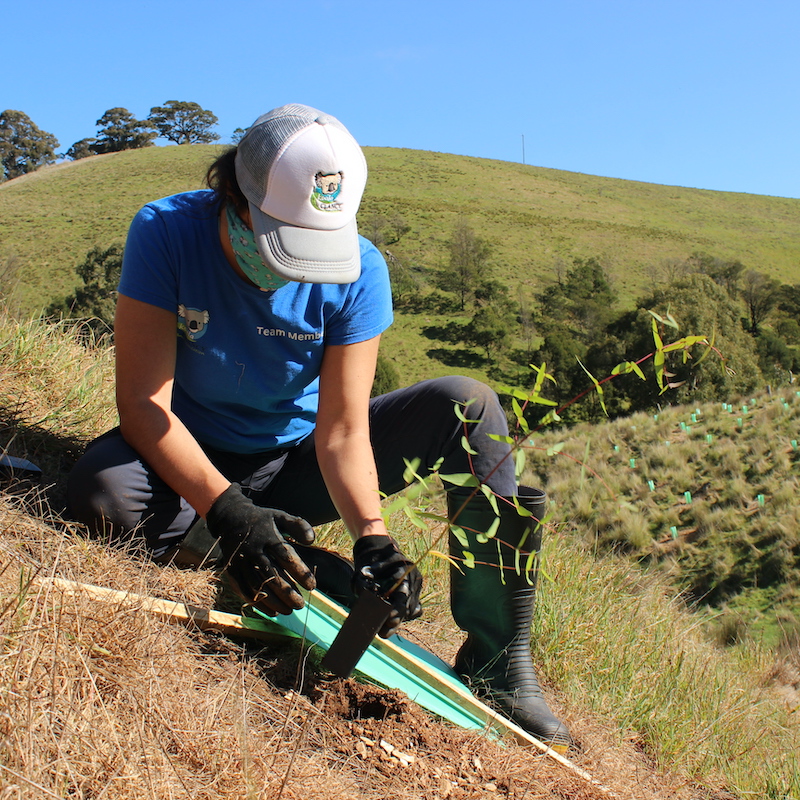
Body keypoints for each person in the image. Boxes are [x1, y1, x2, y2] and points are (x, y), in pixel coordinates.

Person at [67, 103, 572, 751]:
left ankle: (500, 660)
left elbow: (341, 429)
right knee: (102, 494)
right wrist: (227, 511)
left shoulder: (362, 272)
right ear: (237, 196)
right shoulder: (167, 232)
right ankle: (274, 554)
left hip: (295, 464)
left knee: (468, 404)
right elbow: (143, 404)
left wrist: (373, 538)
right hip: (184, 456)